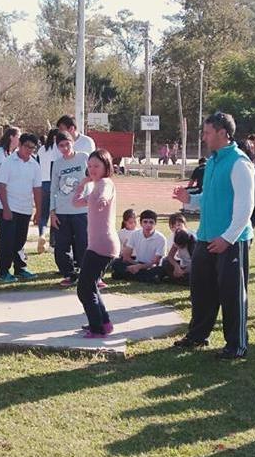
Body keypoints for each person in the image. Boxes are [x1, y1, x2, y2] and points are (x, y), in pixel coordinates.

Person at [172, 112, 254, 359]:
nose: (204, 137)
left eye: (208, 133)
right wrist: (190, 200)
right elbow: (210, 198)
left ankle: (236, 345)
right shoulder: (213, 162)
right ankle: (198, 335)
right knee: (201, 290)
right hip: (206, 238)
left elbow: (245, 206)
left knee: (232, 294)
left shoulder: (240, 163)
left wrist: (228, 238)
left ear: (222, 133)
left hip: (232, 241)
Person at [73, 149, 120, 338]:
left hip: (103, 245)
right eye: (90, 166)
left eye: (96, 166)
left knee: (84, 289)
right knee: (89, 286)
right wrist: (83, 183)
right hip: (98, 245)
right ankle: (104, 323)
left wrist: (101, 200)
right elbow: (75, 203)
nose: (92, 169)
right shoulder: (94, 185)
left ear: (106, 167)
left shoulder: (105, 183)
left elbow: (105, 195)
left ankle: (97, 329)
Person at [0, 132, 42, 282]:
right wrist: (6, 208)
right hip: (9, 208)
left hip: (25, 208)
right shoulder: (9, 162)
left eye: (33, 148)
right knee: (7, 241)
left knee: (20, 241)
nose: (29, 150)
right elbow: (1, 185)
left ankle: (20, 268)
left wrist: (38, 211)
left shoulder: (34, 164)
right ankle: (3, 271)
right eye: (27, 146)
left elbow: (37, 189)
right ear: (20, 145)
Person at [50, 131, 89, 288]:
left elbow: (95, 177)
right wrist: (52, 212)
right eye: (61, 145)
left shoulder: (84, 157)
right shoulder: (57, 163)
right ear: (57, 147)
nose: (65, 148)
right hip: (62, 211)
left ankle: (86, 274)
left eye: (67, 144)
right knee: (61, 246)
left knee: (83, 244)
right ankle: (69, 274)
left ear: (73, 142)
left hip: (82, 211)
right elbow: (53, 189)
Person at [111, 210, 167, 283]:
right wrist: (136, 265)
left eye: (151, 222)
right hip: (137, 262)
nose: (148, 225)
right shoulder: (135, 234)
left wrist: (139, 267)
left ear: (155, 224)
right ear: (141, 223)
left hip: (151, 267)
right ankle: (140, 276)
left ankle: (127, 275)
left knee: (158, 272)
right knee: (116, 263)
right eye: (145, 222)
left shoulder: (161, 238)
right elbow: (126, 256)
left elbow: (155, 262)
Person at [0, 126, 21, 220]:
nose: (20, 140)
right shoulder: (0, 152)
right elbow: (2, 172)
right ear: (11, 137)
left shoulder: (13, 153)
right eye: (18, 136)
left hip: (12, 195)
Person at [37, 129, 58, 254]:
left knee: (43, 214)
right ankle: (52, 243)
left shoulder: (41, 149)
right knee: (55, 214)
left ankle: (42, 234)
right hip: (53, 183)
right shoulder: (58, 150)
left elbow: (38, 164)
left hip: (42, 183)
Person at [162, 214, 194, 285]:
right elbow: (170, 256)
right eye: (173, 226)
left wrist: (184, 271)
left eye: (179, 225)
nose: (176, 228)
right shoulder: (176, 237)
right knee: (165, 262)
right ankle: (180, 279)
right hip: (182, 265)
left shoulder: (193, 240)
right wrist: (176, 267)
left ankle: (178, 279)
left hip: (193, 267)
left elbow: (196, 262)